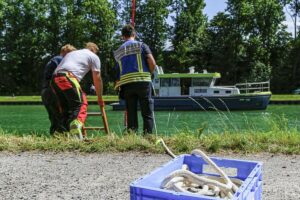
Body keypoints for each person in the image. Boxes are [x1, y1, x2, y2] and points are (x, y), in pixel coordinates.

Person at [50, 42, 104, 140]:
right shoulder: (94, 57)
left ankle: (63, 135)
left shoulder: (72, 53)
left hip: (54, 79)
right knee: (81, 104)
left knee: (65, 109)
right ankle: (75, 124)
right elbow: (97, 78)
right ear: (94, 50)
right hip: (67, 77)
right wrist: (99, 97)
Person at [114, 24, 156, 134]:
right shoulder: (142, 45)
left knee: (131, 113)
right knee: (147, 112)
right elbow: (152, 62)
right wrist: (149, 74)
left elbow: (118, 71)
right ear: (134, 34)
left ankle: (132, 136)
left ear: (123, 36)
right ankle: (148, 136)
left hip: (127, 85)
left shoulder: (118, 51)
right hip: (143, 83)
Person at [41, 44, 76, 135]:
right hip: (53, 91)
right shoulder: (60, 60)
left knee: (54, 118)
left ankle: (55, 137)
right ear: (65, 52)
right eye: (71, 54)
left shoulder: (53, 60)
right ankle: (63, 138)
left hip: (46, 91)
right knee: (63, 115)